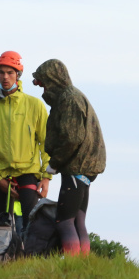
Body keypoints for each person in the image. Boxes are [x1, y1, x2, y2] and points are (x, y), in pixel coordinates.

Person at [32, 59, 106, 256]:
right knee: (78, 220)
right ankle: (83, 264)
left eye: (44, 83)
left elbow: (72, 138)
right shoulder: (74, 96)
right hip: (85, 168)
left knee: (64, 221)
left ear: (53, 80)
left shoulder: (68, 99)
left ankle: (72, 265)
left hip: (76, 167)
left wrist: (54, 164)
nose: (43, 88)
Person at [0, 51, 51, 230]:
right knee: (2, 227)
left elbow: (46, 143)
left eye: (10, 73)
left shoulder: (35, 105)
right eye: (1, 72)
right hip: (1, 175)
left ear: (18, 75)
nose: (5, 77)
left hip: (29, 172)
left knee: (30, 224)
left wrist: (46, 177)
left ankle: (31, 258)